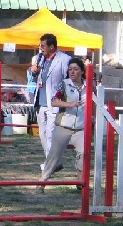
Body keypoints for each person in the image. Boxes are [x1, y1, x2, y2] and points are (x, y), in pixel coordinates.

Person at [36, 57, 87, 193]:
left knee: (83, 153)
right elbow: (54, 101)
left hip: (81, 128)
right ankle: (42, 182)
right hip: (63, 126)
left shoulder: (89, 86)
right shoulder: (64, 84)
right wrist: (69, 104)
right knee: (54, 155)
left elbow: (93, 103)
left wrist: (92, 117)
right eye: (70, 69)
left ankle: (81, 182)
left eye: (76, 69)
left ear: (82, 71)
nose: (72, 72)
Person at [32, 33, 71, 170]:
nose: (40, 48)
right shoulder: (39, 58)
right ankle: (54, 163)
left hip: (54, 102)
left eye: (43, 46)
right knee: (43, 135)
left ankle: (51, 164)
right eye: (40, 45)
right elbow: (35, 77)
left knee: (50, 134)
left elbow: (69, 80)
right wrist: (33, 71)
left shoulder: (65, 60)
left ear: (52, 46)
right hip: (40, 102)